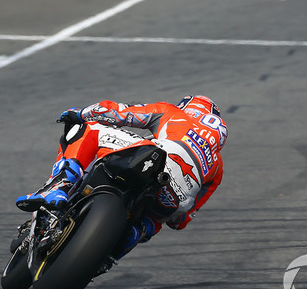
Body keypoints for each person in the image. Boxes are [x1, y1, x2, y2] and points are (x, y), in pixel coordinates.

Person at [16, 95, 228, 259]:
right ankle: (126, 242)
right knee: (155, 219)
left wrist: (81, 114)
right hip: (176, 197)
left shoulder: (174, 113)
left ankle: (61, 185)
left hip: (153, 157)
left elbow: (117, 113)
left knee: (91, 129)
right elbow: (182, 220)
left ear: (190, 108)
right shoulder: (217, 167)